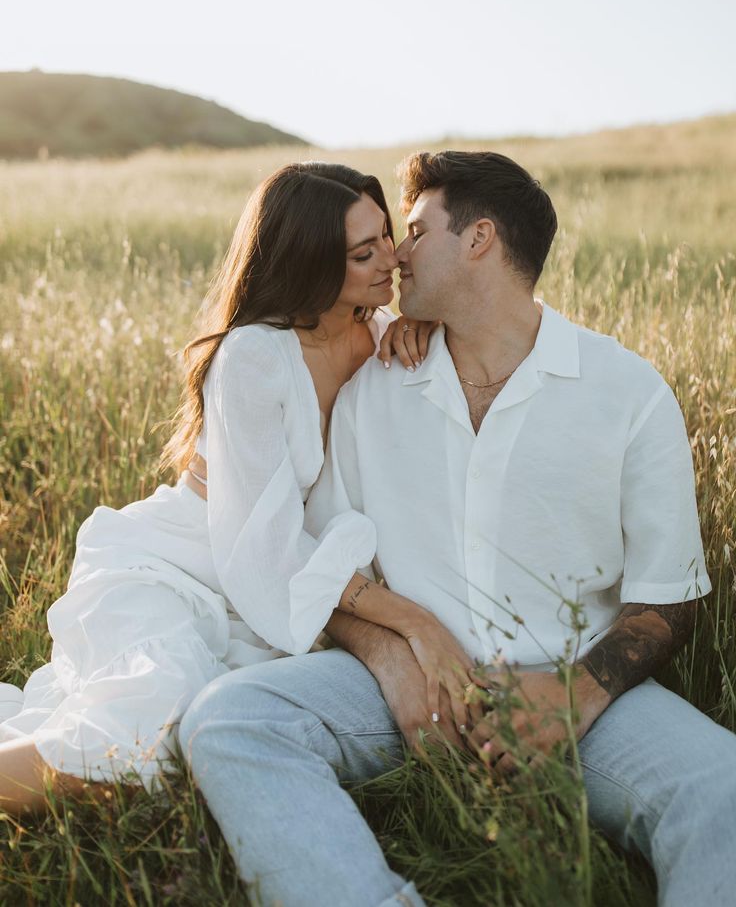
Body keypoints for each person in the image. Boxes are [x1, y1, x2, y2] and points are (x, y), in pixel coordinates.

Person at [180, 151, 736, 907]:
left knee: (723, 786)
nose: (398, 254)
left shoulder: (628, 393)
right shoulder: (372, 379)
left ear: (479, 240)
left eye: (414, 230)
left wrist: (574, 695)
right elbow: (318, 567)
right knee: (230, 718)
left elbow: (668, 601)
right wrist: (388, 656)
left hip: (574, 691)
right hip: (403, 681)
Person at [0, 161, 437, 815]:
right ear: (310, 260)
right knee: (139, 732)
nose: (391, 260)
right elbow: (264, 545)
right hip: (186, 562)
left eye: (387, 238)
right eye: (364, 251)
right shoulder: (254, 358)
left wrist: (423, 324)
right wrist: (409, 618)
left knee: (203, 734)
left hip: (265, 588)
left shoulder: (376, 335)